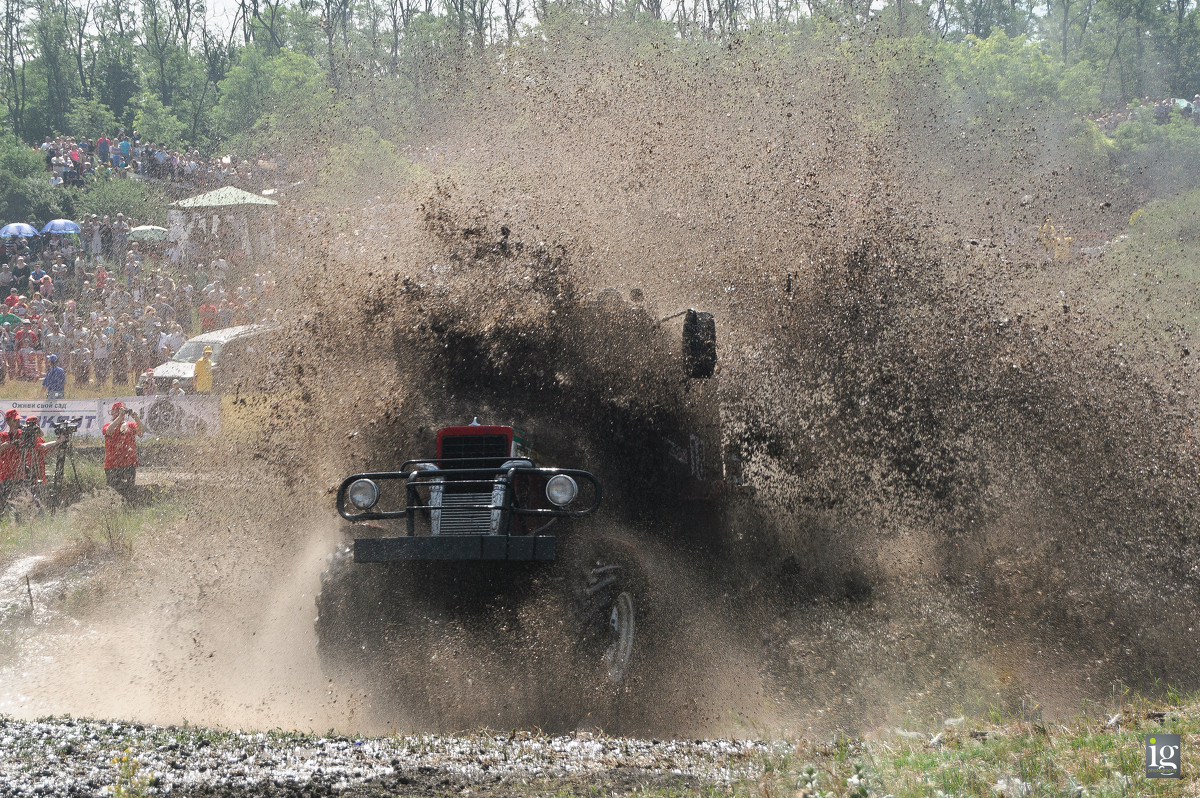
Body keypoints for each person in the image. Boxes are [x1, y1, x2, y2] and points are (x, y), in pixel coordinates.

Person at [102, 402, 144, 499]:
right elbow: (109, 431)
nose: (116, 413)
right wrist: (119, 418)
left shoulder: (130, 425)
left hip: (128, 464)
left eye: (119, 411)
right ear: (112, 413)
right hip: (112, 465)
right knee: (112, 492)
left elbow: (141, 432)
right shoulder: (108, 425)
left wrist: (136, 417)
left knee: (129, 491)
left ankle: (128, 510)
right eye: (115, 411)